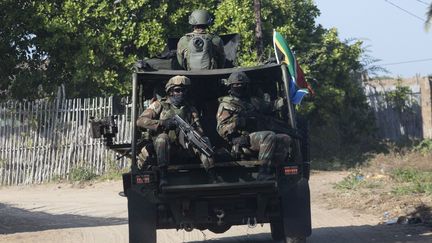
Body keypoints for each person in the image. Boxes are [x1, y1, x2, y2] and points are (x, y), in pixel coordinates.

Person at [137, 75, 219, 186]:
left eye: (184, 90)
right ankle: (163, 176)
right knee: (162, 138)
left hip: (186, 147)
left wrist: (194, 135)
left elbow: (199, 128)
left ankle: (212, 175)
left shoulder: (190, 108)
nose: (181, 93)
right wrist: (162, 123)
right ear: (170, 91)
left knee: (203, 141)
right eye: (177, 90)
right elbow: (141, 121)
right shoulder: (159, 105)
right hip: (165, 149)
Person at [216, 71, 292, 180]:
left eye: (242, 84)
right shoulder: (226, 105)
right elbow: (221, 129)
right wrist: (238, 123)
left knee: (284, 138)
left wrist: (285, 100)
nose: (239, 86)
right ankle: (263, 173)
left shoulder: (253, 101)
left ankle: (274, 171)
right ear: (230, 86)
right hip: (240, 143)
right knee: (269, 136)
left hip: (256, 139)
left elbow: (270, 106)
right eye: (236, 85)